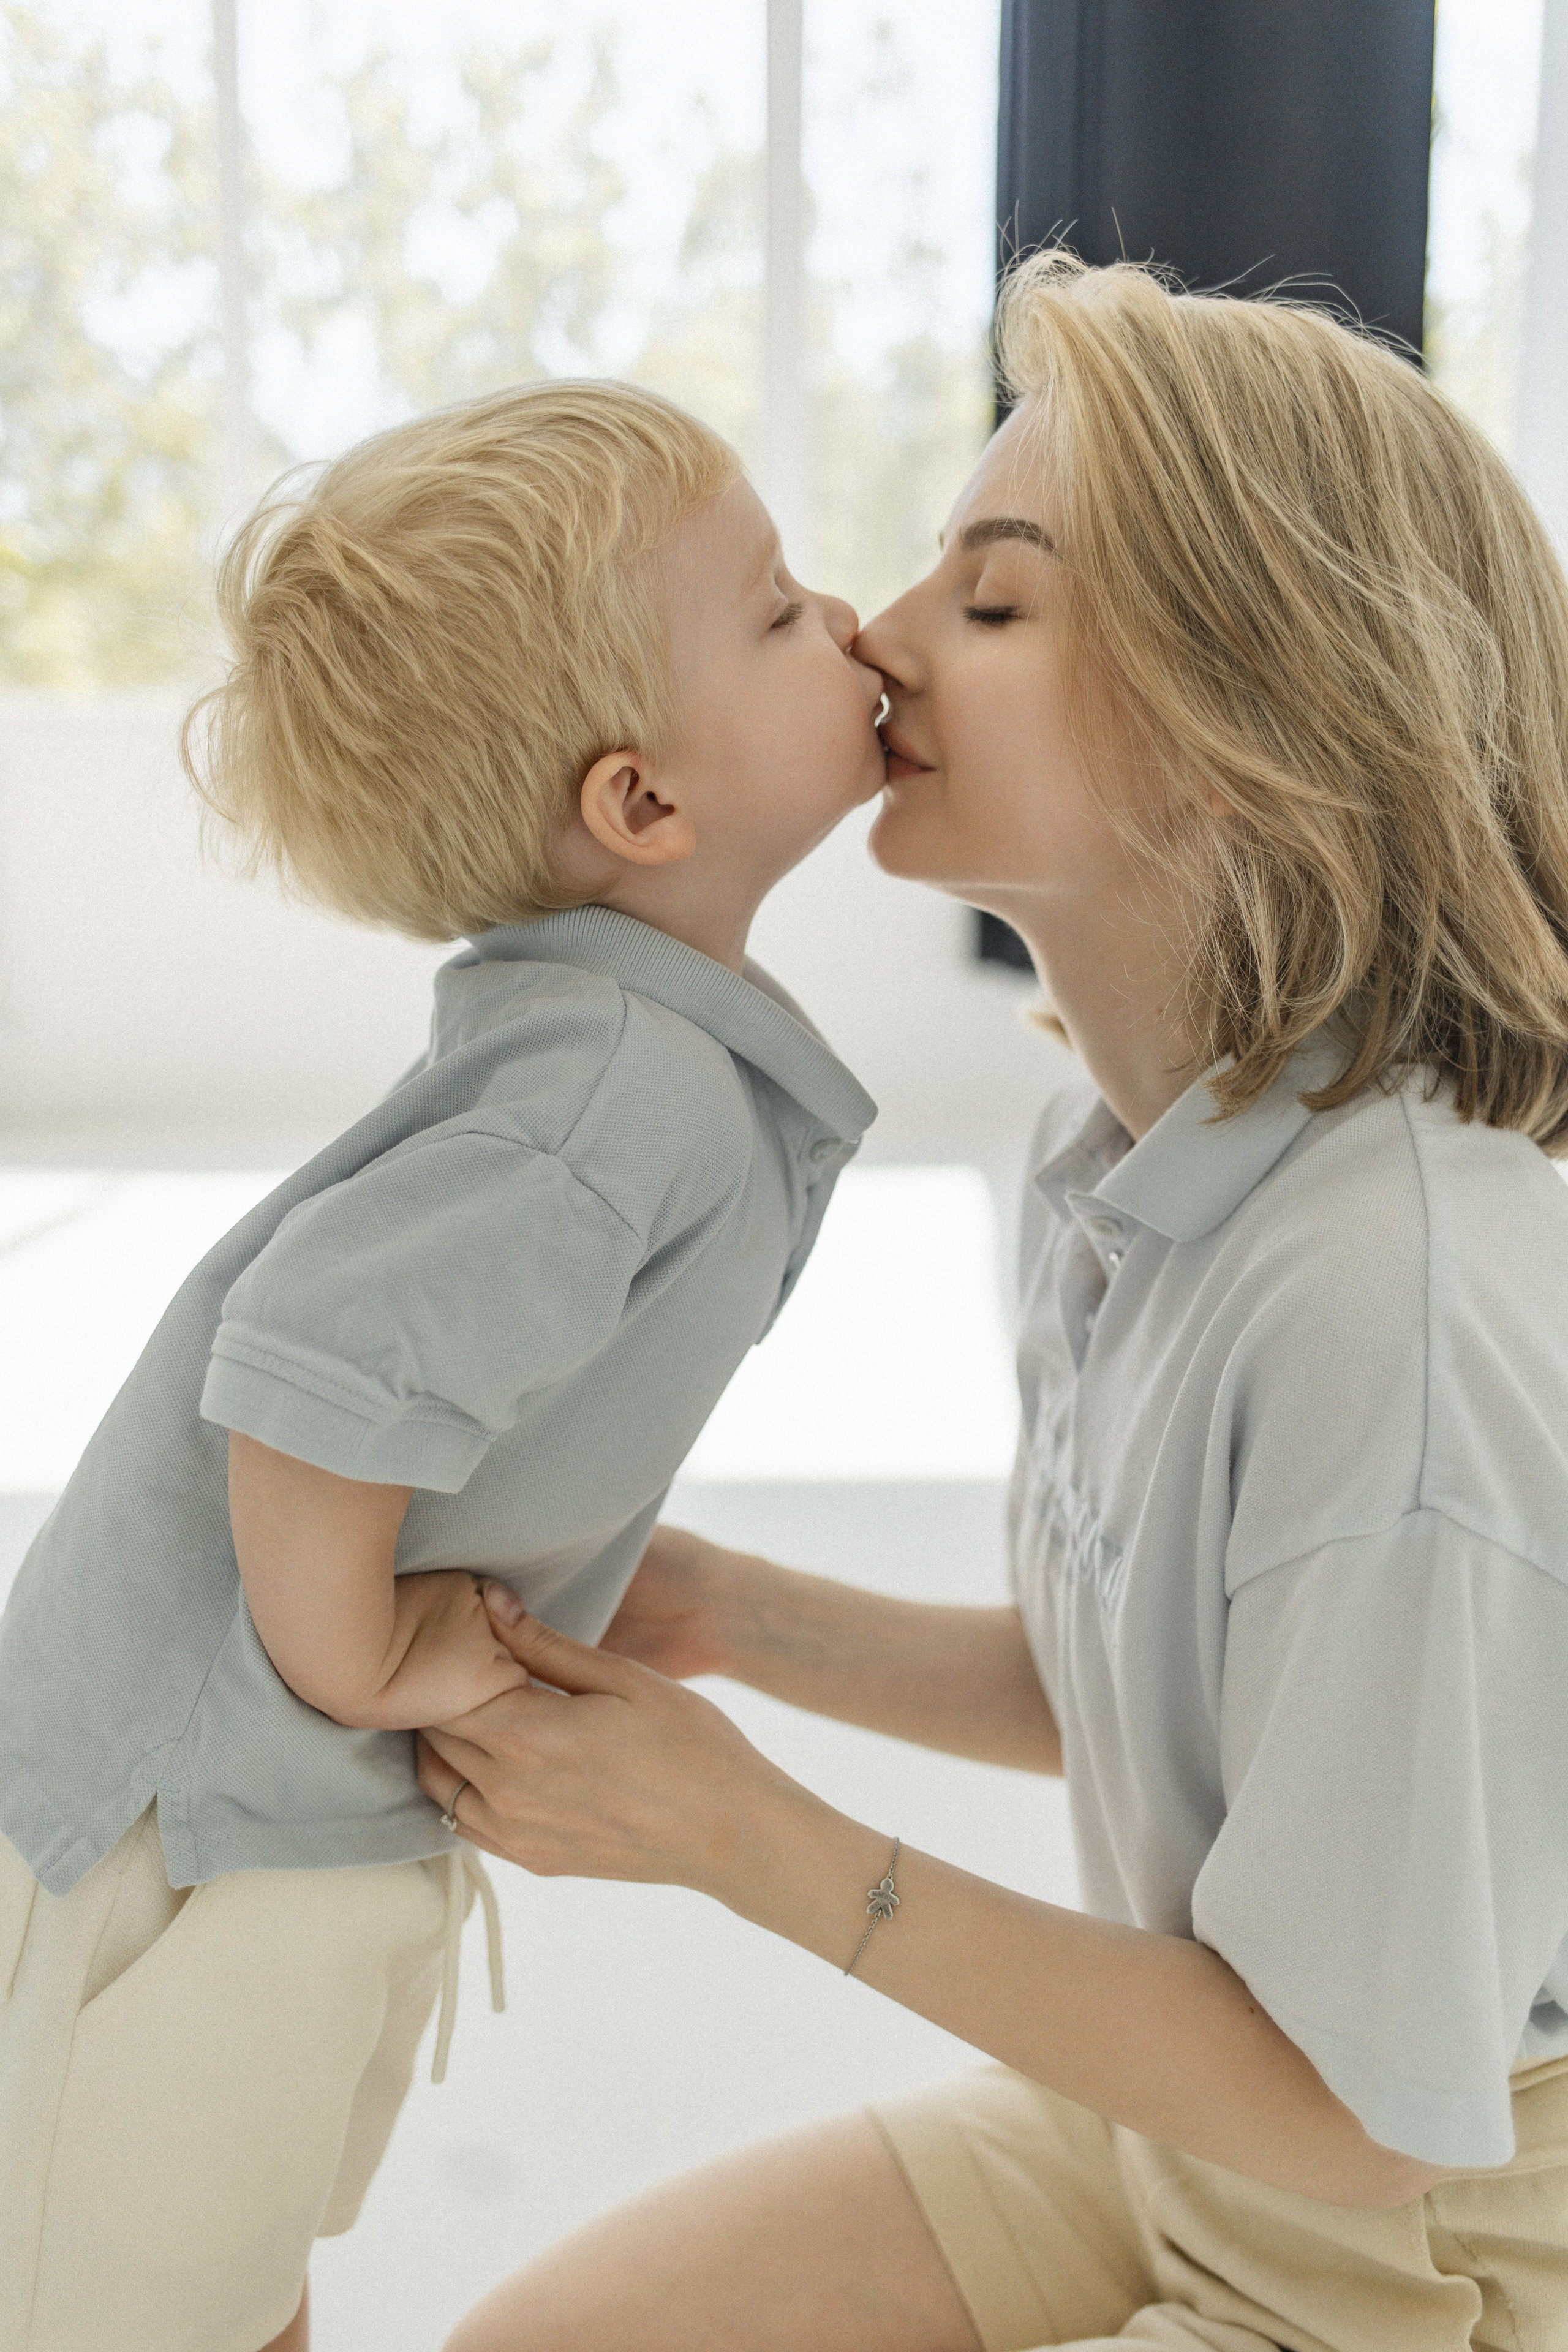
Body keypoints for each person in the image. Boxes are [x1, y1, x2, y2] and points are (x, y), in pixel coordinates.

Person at [418, 255, 1568, 2352]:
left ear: (1251, 727)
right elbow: (1157, 1700)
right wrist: (718, 1610)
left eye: (999, 597)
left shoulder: (1386, 1301)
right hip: (1175, 2120)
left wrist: (747, 1838)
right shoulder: (1130, 1159)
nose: (876, 628)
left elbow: (1359, 2100)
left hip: (1421, 2233)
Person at [0, 380, 886, 2352]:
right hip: (191, 1822)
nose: (845, 622)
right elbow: (307, 1358)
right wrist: (364, 1659)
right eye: (773, 609)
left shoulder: (649, 1051)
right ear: (643, 802)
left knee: (224, 2246)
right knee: (114, 2282)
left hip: (290, 1811)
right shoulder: (615, 1089)